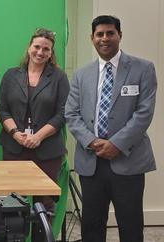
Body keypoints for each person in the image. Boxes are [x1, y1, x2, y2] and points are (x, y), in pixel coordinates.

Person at [65, 15, 157, 242]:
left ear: (120, 35)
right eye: (99, 34)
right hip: (91, 160)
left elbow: (144, 113)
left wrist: (116, 143)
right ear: (92, 38)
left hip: (128, 159)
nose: (104, 38)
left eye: (110, 33)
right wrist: (92, 141)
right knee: (92, 225)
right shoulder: (81, 74)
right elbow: (71, 113)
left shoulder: (142, 68)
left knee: (131, 224)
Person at [0, 28, 69, 241]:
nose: (40, 52)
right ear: (29, 48)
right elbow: (2, 109)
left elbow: (63, 112)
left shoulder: (59, 77)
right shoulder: (11, 75)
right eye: (37, 47)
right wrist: (15, 133)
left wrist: (39, 136)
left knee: (44, 208)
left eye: (46, 49)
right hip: (14, 148)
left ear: (51, 53)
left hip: (47, 151)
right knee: (13, 207)